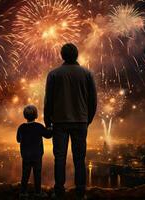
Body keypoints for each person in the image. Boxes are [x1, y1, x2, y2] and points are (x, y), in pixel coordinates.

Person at [44, 43, 97, 199]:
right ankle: (81, 191)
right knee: (79, 158)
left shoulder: (53, 74)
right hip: (81, 121)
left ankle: (59, 191)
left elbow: (48, 101)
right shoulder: (87, 74)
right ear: (77, 55)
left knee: (59, 158)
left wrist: (48, 122)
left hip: (59, 122)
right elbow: (93, 101)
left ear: (62, 56)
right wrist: (88, 119)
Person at [17, 105, 52, 199]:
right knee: (37, 174)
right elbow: (48, 135)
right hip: (37, 155)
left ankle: (23, 192)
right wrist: (51, 128)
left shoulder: (21, 127)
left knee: (25, 174)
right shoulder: (39, 127)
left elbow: (18, 140)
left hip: (26, 155)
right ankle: (38, 192)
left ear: (25, 116)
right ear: (36, 115)